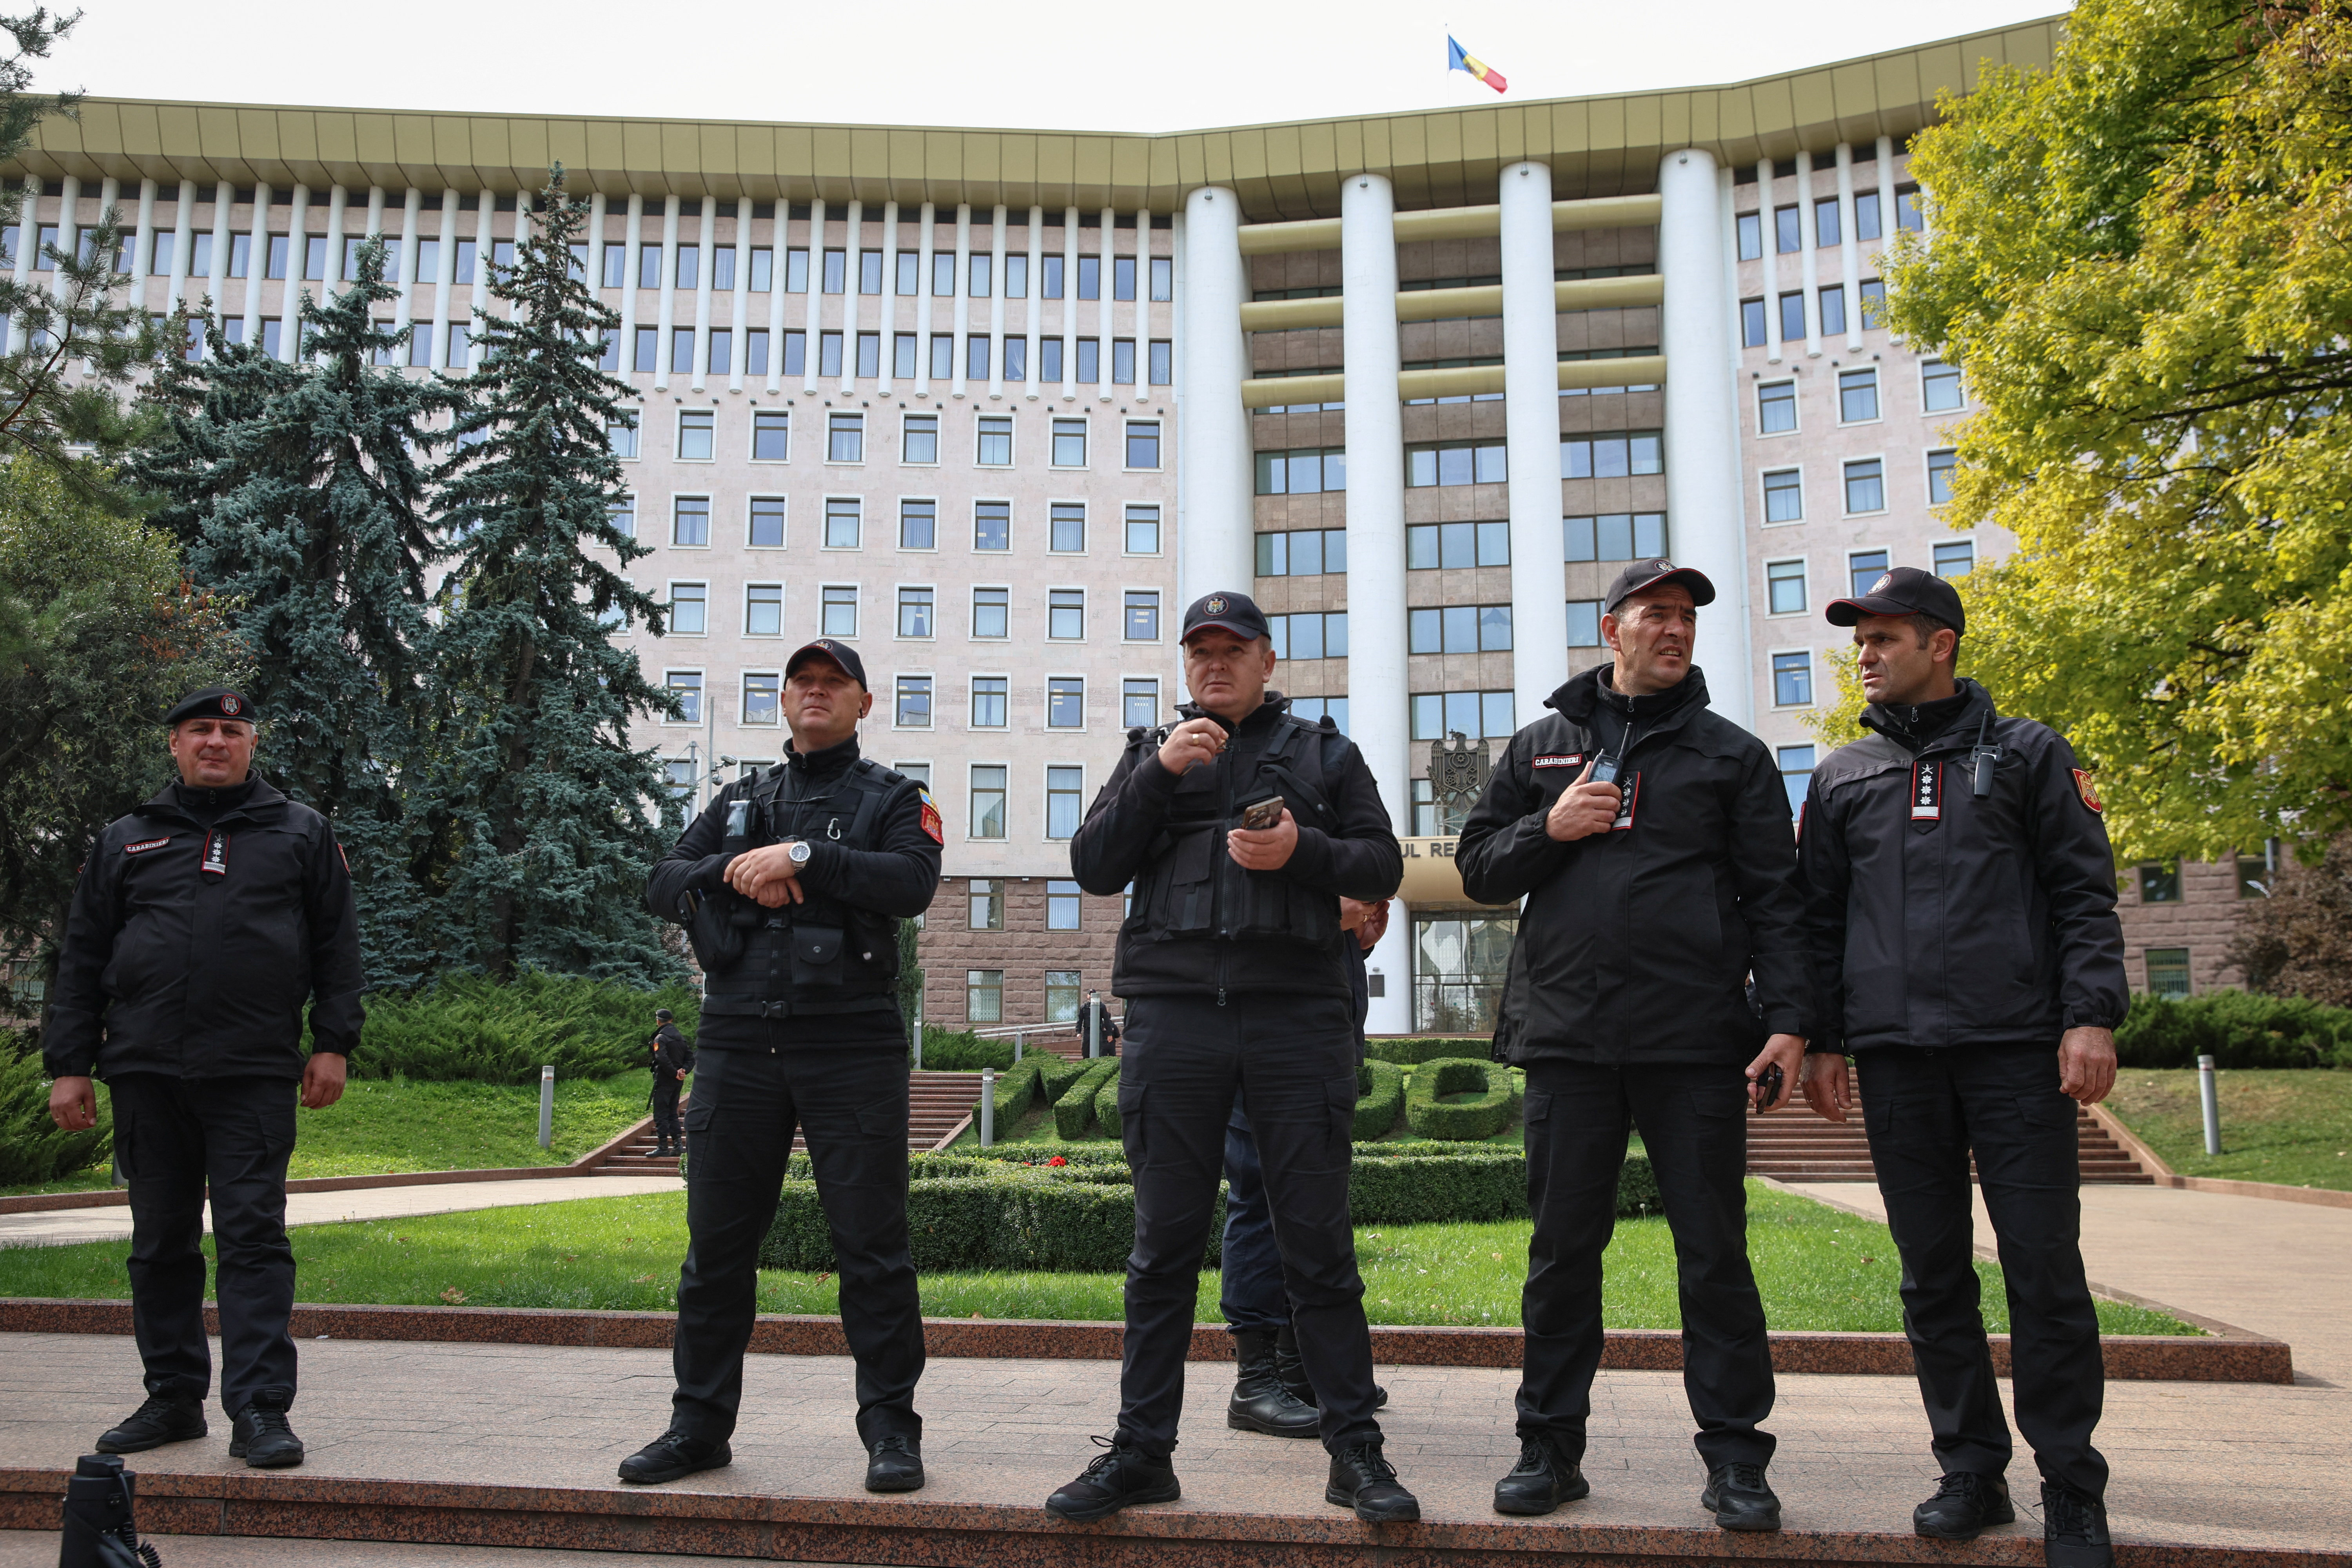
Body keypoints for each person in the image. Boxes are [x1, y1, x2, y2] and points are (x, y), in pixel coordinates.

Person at [1455, 561, 1811, 1531]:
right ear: (1610, 628)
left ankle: (1736, 1456)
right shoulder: (1543, 745)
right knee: (1563, 1251)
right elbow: (1480, 866)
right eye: (1656, 614)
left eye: (1687, 616)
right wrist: (1551, 824)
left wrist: (1787, 1020)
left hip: (1695, 1042)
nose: (1676, 629)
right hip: (1569, 1040)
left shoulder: (1731, 756)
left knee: (1714, 1253)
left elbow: (1778, 901)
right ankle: (1549, 1447)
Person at [1053, 591, 1415, 1525]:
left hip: (1293, 1014)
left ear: (1266, 659)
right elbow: (1092, 863)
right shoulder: (1152, 754)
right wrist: (1157, 775)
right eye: (1199, 651)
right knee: (1162, 1245)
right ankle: (1141, 1453)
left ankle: (1355, 1453)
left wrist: (1300, 850)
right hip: (1176, 1018)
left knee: (1316, 1243)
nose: (1214, 664)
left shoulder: (1325, 754)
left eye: (1232, 649)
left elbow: (1379, 865)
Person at [1795, 567, 2126, 1568]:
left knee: (2043, 1268)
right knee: (1932, 1276)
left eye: (1885, 637)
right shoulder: (1842, 773)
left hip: (2018, 1053)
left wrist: (2089, 1018)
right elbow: (1814, 923)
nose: (1866, 653)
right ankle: (1970, 1468)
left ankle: (2069, 1482)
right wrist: (1819, 1039)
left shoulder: (2029, 752)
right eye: (1860, 639)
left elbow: (2083, 894)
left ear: (1941, 643)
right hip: (1897, 1062)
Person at [624, 637, 942, 1494]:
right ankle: (697, 1425)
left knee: (872, 1247)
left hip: (850, 1046)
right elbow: (662, 879)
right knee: (715, 1250)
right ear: (784, 699)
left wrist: (803, 858)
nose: (816, 692)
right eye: (802, 681)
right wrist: (740, 870)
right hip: (736, 1044)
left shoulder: (894, 796)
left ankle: (891, 1429)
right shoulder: (739, 796)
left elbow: (912, 881)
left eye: (833, 683)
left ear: (863, 704)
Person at [45, 688, 362, 1471]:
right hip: (145, 1067)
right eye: (200, 730)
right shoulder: (127, 836)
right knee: (159, 1243)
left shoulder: (300, 830)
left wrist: (333, 1042)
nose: (215, 741)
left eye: (231, 730)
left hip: (252, 1068)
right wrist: (68, 1063)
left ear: (252, 743)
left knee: (254, 1238)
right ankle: (173, 1396)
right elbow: (82, 953)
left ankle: (259, 1408)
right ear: (176, 745)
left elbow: (337, 944)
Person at [1219, 894, 1391, 1439]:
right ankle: (1256, 1380)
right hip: (1262, 1019)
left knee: (1315, 1203)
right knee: (1258, 1196)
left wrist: (1358, 928)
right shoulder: (1250, 812)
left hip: (1324, 1014)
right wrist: (1321, 912)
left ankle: (1298, 1368)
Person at [646, 1008, 695, 1159]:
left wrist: (674, 1073)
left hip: (664, 1080)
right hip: (677, 1082)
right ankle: (678, 1145)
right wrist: (683, 1072)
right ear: (672, 1021)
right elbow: (691, 1059)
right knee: (673, 1113)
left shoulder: (660, 1039)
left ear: (658, 1021)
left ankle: (663, 1147)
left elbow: (662, 1059)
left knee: (660, 1113)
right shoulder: (680, 1039)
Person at [1078, 989, 1121, 1059]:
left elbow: (1107, 1021)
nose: (1092, 996)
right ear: (1088, 996)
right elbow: (1080, 1020)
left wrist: (1109, 1034)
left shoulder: (1102, 1006)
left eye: (1093, 995)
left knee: (1099, 1051)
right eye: (1090, 995)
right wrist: (1078, 1032)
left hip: (1098, 1031)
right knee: (1085, 1051)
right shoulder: (1084, 1006)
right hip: (1087, 1031)